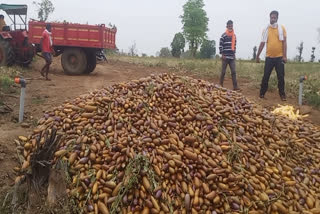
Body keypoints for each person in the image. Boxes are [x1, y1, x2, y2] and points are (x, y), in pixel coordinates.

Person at [256, 10, 287, 101]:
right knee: (265, 76)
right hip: (269, 57)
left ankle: (282, 95)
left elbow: (284, 43)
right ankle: (262, 94)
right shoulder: (266, 29)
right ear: (269, 17)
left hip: (279, 57)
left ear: (277, 18)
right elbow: (262, 43)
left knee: (281, 77)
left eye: (274, 17)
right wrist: (257, 55)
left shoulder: (282, 28)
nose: (272, 19)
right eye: (271, 17)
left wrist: (284, 56)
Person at [219, 20, 240, 91]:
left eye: (231, 25)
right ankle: (220, 85)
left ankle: (235, 86)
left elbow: (234, 46)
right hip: (225, 56)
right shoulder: (223, 35)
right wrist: (222, 54)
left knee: (233, 72)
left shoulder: (234, 36)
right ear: (227, 26)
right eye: (229, 26)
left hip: (231, 57)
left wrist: (234, 54)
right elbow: (220, 45)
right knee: (223, 72)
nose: (230, 27)